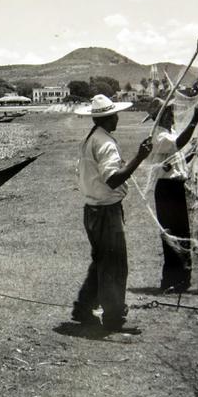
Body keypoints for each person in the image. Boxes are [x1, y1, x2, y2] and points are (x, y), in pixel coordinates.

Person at [72, 95, 153, 332]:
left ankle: (83, 307)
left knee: (102, 262)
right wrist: (139, 157)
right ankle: (113, 317)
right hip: (106, 212)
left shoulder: (92, 138)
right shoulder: (105, 143)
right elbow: (112, 179)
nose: (118, 117)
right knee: (114, 265)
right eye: (115, 114)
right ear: (108, 118)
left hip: (93, 210)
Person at [145, 98, 198, 293]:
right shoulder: (160, 136)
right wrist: (195, 119)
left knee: (182, 234)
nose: (173, 115)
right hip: (167, 189)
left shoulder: (169, 133)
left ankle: (183, 279)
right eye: (169, 112)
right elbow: (178, 144)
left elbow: (175, 162)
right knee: (172, 234)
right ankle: (172, 280)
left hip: (175, 187)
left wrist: (192, 154)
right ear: (160, 116)